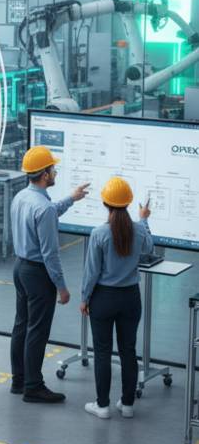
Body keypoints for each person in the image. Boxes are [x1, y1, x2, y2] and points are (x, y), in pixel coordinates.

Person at [10, 145, 89, 403]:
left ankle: (19, 380)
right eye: (53, 169)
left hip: (20, 268)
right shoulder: (42, 208)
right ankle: (34, 387)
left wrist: (71, 198)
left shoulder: (22, 197)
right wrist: (62, 288)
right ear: (44, 174)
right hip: (37, 274)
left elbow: (49, 211)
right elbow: (51, 255)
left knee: (22, 325)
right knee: (37, 331)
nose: (55, 172)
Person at [81, 177, 152, 420]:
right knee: (128, 350)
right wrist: (144, 219)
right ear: (128, 203)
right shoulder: (139, 230)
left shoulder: (99, 233)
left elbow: (91, 272)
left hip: (104, 298)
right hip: (130, 298)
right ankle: (128, 405)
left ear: (105, 203)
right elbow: (148, 249)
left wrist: (84, 298)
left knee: (102, 352)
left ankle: (102, 406)